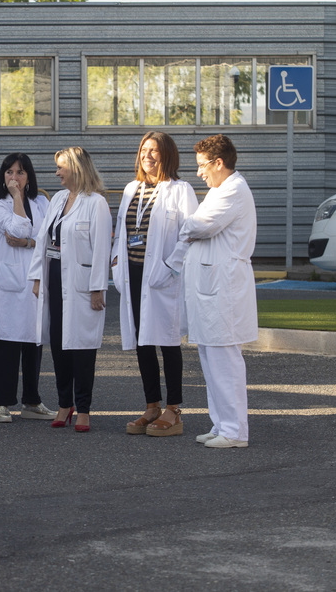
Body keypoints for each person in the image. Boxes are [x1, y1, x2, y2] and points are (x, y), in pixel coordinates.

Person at [112, 132, 198, 437]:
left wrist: (170, 268)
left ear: (168, 155)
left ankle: (174, 410)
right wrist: (116, 263)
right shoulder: (131, 189)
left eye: (155, 151)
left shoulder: (180, 190)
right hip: (133, 274)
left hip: (162, 278)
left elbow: (189, 234)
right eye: (144, 150)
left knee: (168, 341)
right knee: (142, 341)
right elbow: (122, 231)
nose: (148, 156)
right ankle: (152, 405)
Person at [179, 134, 257, 449]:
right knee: (210, 357)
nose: (199, 173)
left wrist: (186, 225)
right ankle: (221, 424)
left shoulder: (234, 190)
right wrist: (190, 225)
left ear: (218, 162)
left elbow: (199, 226)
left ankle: (236, 431)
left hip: (223, 290)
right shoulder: (219, 190)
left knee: (224, 358)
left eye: (202, 166)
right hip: (210, 289)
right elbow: (197, 225)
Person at [28, 146, 110, 433]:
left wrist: (98, 287)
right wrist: (37, 277)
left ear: (76, 168)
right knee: (60, 344)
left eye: (61, 167)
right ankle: (65, 403)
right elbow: (43, 239)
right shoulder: (59, 198)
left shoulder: (95, 202)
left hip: (82, 283)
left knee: (83, 347)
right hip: (54, 276)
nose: (57, 172)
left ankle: (83, 407)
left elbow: (101, 247)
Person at [0, 153, 56, 423]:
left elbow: (49, 237)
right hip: (10, 280)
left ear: (29, 177)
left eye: (20, 173)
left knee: (33, 341)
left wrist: (28, 243)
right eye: (9, 173)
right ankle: (2, 403)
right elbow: (18, 228)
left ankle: (31, 400)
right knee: (6, 341)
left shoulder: (41, 202)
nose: (14, 178)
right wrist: (16, 198)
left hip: (36, 278)